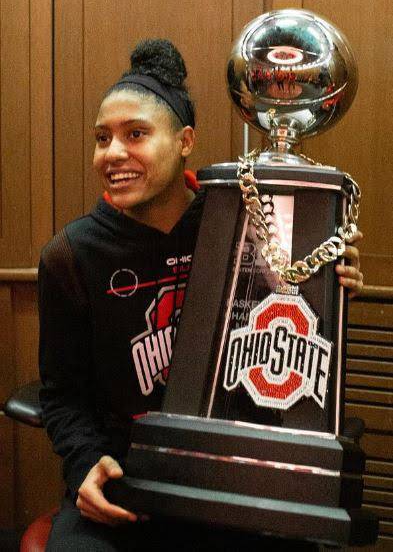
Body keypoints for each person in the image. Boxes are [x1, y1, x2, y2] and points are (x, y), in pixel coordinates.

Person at [39, 39, 363, 551]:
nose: (113, 153)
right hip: (129, 476)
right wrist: (83, 462)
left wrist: (328, 281)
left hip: (228, 477)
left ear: (185, 140)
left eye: (136, 134)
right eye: (102, 138)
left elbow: (287, 333)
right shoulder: (71, 253)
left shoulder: (244, 222)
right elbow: (60, 396)